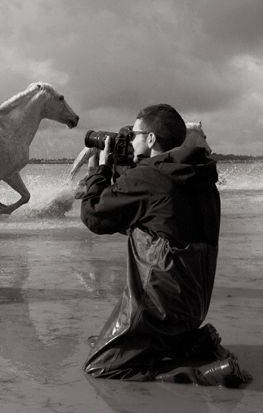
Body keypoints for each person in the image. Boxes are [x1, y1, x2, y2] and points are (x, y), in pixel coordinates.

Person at [80, 104, 251, 387]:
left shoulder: (148, 178)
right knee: (104, 340)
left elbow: (94, 216)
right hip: (194, 305)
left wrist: (98, 171)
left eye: (134, 134)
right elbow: (151, 220)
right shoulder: (201, 179)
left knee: (100, 367)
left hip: (159, 308)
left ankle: (202, 374)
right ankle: (195, 342)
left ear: (150, 139)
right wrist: (126, 171)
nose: (131, 139)